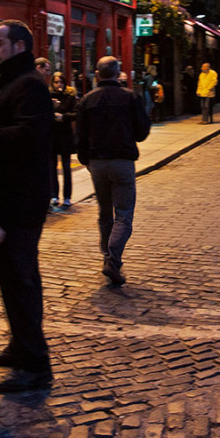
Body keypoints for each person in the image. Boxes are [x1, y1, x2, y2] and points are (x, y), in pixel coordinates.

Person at [0, 20, 55, 394]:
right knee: (10, 277)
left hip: (22, 201)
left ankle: (36, 364)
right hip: (9, 198)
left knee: (21, 278)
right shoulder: (12, 82)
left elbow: (30, 139)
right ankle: (20, 346)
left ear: (20, 46)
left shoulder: (29, 86)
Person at [76, 57, 151, 288]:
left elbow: (79, 136)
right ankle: (112, 258)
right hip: (122, 161)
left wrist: (85, 160)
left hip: (97, 163)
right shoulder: (130, 97)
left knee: (105, 212)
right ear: (118, 73)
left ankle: (107, 256)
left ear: (97, 74)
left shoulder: (87, 100)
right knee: (124, 214)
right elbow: (141, 130)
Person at [48, 70, 77, 212]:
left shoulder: (70, 96)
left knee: (66, 167)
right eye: (56, 82)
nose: (59, 85)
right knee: (52, 167)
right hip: (52, 136)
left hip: (65, 136)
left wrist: (63, 117)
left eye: (61, 82)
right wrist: (51, 107)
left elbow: (75, 114)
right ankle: (54, 195)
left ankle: (67, 196)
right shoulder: (49, 96)